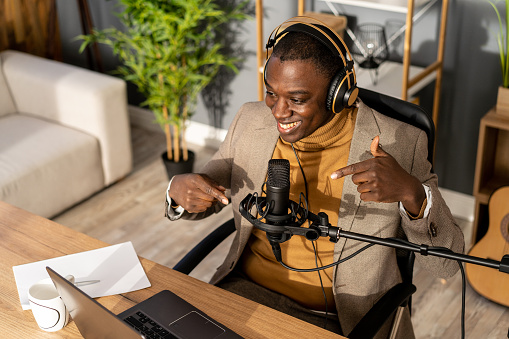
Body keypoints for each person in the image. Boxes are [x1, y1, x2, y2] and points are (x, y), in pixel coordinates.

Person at [165, 17, 465, 338]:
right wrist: (179, 191)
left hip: (338, 319)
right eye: (271, 93)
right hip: (243, 293)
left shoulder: (401, 142)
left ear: (338, 94)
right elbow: (206, 188)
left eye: (296, 99)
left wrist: (412, 193)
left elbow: (447, 265)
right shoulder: (250, 120)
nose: (279, 112)